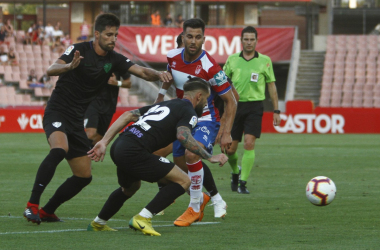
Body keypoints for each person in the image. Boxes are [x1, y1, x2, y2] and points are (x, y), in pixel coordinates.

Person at [22, 13, 172, 225]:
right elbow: (51, 69)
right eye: (109, 35)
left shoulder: (115, 59)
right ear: (97, 34)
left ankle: (48, 211)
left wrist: (159, 74)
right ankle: (32, 205)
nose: (113, 39)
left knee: (84, 176)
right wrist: (68, 67)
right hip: (57, 110)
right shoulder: (78, 49)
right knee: (58, 150)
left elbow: (141, 72)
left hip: (76, 120)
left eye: (116, 35)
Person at [87, 78, 228, 236]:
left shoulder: (165, 104)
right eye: (206, 99)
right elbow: (182, 136)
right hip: (134, 151)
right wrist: (209, 157)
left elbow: (128, 115)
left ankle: (98, 223)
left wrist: (104, 142)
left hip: (119, 146)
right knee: (184, 180)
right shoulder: (189, 111)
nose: (205, 104)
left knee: (130, 188)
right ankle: (143, 218)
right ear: (199, 96)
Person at [155, 18, 237, 227]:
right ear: (182, 37)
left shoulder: (210, 66)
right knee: (185, 162)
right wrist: (160, 97)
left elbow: (231, 100)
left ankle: (194, 207)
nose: (193, 41)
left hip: (206, 119)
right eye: (189, 36)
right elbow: (169, 77)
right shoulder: (173, 56)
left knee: (192, 154)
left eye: (198, 37)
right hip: (183, 118)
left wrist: (226, 132)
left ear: (203, 39)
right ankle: (213, 198)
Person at [224, 26, 281, 194]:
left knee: (249, 143)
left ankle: (243, 183)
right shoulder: (232, 60)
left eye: (252, 39)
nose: (249, 42)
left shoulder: (265, 61)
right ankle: (235, 171)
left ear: (257, 41)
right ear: (241, 41)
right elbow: (223, 83)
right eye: (246, 39)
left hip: (255, 107)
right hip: (235, 106)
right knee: (230, 150)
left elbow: (271, 86)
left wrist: (276, 110)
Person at [84, 72, 131, 146]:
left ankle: (86, 154)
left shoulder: (119, 63)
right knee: (90, 134)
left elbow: (128, 83)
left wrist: (116, 82)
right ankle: (80, 154)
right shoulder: (92, 62)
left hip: (109, 104)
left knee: (99, 138)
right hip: (92, 102)